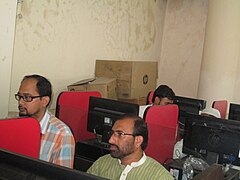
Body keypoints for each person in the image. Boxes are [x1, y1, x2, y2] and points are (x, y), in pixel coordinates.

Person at [87, 114, 173, 180]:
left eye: (120, 134)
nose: (111, 140)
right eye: (112, 133)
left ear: (137, 141)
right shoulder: (101, 163)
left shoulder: (160, 177)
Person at [15, 74, 75, 168]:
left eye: (27, 97)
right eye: (19, 96)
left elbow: (62, 176)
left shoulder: (62, 134)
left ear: (44, 101)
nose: (20, 102)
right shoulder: (13, 124)